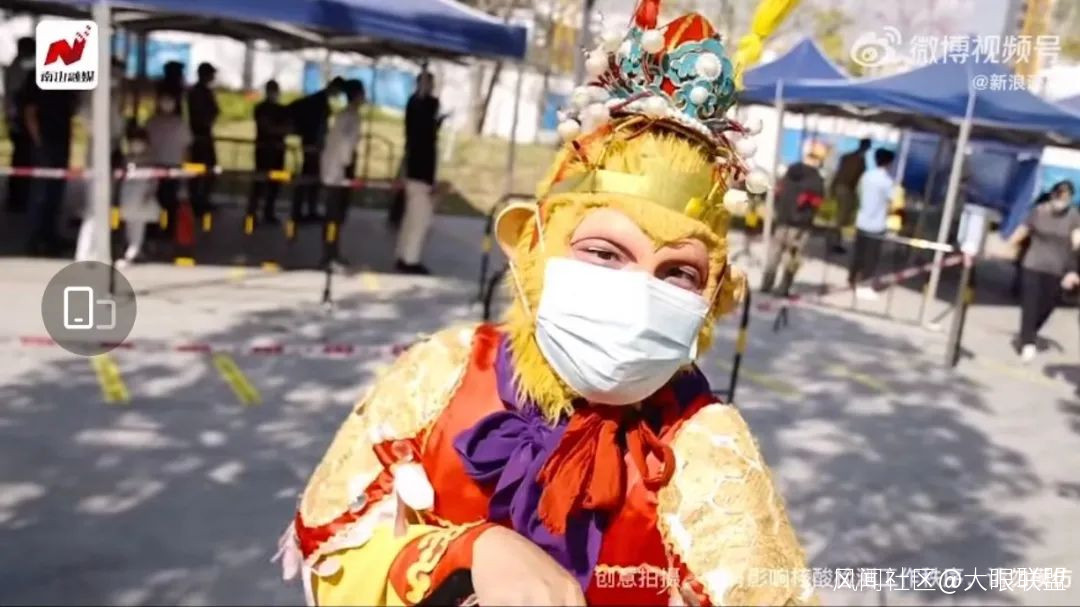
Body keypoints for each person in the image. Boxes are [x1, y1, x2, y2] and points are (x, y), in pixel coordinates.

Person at [274, 3, 814, 606]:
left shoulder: (704, 444)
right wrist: (467, 553)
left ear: (715, 298)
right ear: (534, 247)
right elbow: (332, 545)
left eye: (679, 273)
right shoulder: (446, 373)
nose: (639, 295)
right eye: (605, 253)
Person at [1007, 180, 1080, 363]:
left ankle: (1028, 333)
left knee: (1047, 306)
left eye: (1067, 197)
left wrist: (1073, 270)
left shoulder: (1073, 216)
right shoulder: (1039, 211)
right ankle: (1027, 343)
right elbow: (1023, 230)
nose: (1062, 200)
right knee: (1030, 304)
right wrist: (1009, 245)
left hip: (1056, 269)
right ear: (1053, 194)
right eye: (1059, 195)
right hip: (1033, 264)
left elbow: (1077, 242)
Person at [21, 75, 78, 256]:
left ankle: (50, 236)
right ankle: (34, 240)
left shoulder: (66, 78)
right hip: (45, 143)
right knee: (41, 193)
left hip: (61, 140)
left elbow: (72, 106)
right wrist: (38, 141)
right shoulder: (37, 77)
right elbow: (30, 111)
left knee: (56, 191)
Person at [760, 143, 827, 296]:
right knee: (792, 257)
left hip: (782, 220)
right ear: (819, 160)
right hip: (800, 226)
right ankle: (783, 288)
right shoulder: (817, 179)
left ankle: (766, 284)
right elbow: (817, 202)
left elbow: (778, 192)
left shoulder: (790, 171)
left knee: (774, 254)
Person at [395, 70, 442, 274]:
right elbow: (424, 111)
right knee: (420, 219)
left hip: (416, 170)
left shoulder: (416, 107)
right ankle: (410, 259)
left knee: (411, 218)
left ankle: (403, 255)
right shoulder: (418, 107)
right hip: (420, 173)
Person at [319, 79, 365, 267]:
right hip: (339, 172)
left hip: (332, 168)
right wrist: (347, 168)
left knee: (334, 216)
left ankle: (332, 252)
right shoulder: (352, 117)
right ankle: (329, 255)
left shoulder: (344, 115)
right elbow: (346, 144)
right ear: (357, 95)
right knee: (334, 216)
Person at [290, 76, 346, 223]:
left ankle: (306, 210)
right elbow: (318, 126)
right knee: (309, 177)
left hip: (313, 143)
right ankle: (302, 211)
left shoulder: (319, 100)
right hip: (313, 144)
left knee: (311, 177)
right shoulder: (319, 102)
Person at [849, 147, 896, 301]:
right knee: (871, 257)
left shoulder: (866, 176)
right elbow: (891, 201)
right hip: (876, 224)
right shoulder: (887, 181)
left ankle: (852, 279)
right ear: (889, 163)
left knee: (859, 253)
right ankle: (864, 286)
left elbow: (858, 193)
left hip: (861, 220)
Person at [145, 93, 192, 237]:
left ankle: (153, 229)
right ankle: (168, 230)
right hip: (173, 166)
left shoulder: (151, 122)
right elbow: (186, 147)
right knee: (170, 201)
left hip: (155, 165)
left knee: (154, 198)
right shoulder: (180, 124)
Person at [116, 129, 160, 266]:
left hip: (142, 193)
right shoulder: (126, 159)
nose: (136, 145)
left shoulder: (150, 159)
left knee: (139, 223)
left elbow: (154, 180)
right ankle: (134, 249)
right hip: (127, 194)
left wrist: (150, 193)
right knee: (130, 223)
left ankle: (132, 252)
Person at [248, 80, 290, 225]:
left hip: (274, 150)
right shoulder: (262, 109)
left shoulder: (279, 109)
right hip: (266, 150)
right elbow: (268, 128)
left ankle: (267, 211)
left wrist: (277, 130)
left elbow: (287, 127)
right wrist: (279, 130)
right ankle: (253, 213)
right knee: (260, 183)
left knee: (273, 183)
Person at [4, 37, 35, 213]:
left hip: (18, 118)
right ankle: (19, 198)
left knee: (22, 157)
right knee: (23, 158)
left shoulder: (16, 67)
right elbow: (17, 96)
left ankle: (19, 196)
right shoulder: (19, 69)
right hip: (20, 119)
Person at [187, 62, 219, 216]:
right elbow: (206, 114)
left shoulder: (201, 91)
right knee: (200, 170)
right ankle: (197, 202)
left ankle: (202, 200)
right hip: (200, 135)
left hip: (203, 135)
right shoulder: (199, 92)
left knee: (207, 170)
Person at [828, 138, 871, 253]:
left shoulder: (846, 157)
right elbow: (855, 179)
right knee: (841, 219)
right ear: (866, 147)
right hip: (846, 190)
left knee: (839, 218)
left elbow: (838, 173)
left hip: (839, 187)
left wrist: (832, 188)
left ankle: (834, 241)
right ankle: (835, 243)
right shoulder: (861, 161)